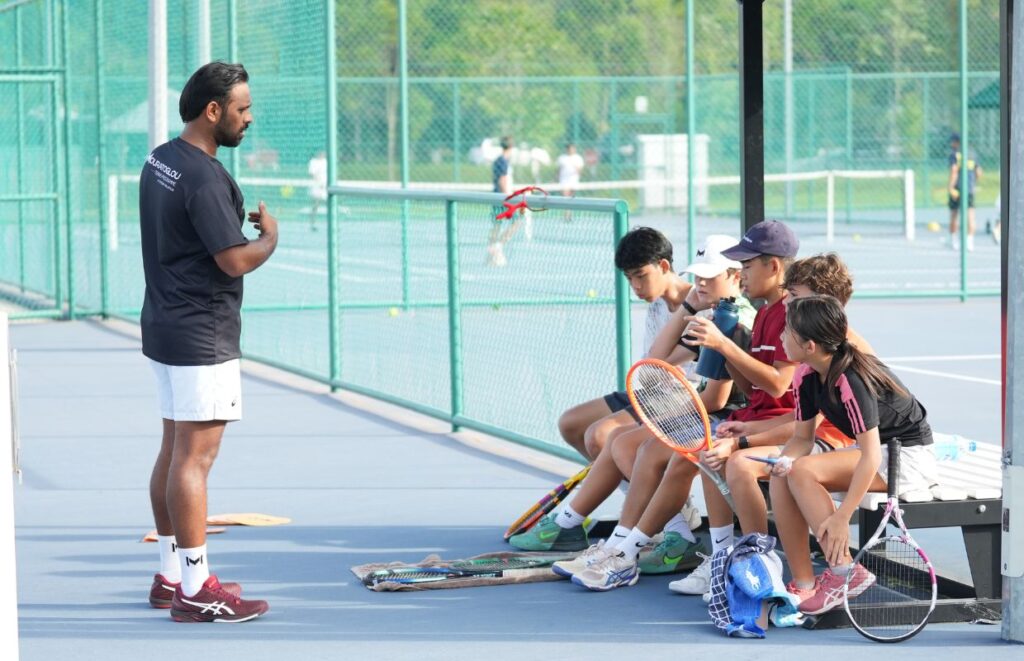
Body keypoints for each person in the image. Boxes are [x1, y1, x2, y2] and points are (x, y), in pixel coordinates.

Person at [139, 62, 276, 623]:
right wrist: (269, 239)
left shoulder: (161, 159)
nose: (249, 118)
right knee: (195, 460)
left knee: (175, 450)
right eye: (242, 109)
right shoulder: (202, 176)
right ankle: (196, 589)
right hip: (202, 332)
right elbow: (233, 260)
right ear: (212, 110)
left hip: (166, 324)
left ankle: (171, 575)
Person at [769, 295, 938, 615]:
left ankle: (845, 573)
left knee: (802, 471)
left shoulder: (851, 379)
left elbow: (870, 456)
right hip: (874, 450)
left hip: (907, 456)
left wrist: (842, 516)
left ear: (810, 346)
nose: (781, 336)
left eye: (787, 331)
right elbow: (802, 438)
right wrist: (784, 459)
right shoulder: (805, 374)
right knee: (784, 472)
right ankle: (804, 583)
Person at [556, 227, 697, 462]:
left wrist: (660, 371)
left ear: (663, 266)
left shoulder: (702, 303)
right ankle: (630, 483)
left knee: (599, 435)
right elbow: (649, 371)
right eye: (629, 278)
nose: (635, 286)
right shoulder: (657, 306)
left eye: (641, 276)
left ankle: (643, 487)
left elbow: (697, 379)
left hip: (686, 399)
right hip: (655, 393)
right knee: (570, 423)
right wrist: (657, 372)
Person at [947, 132, 982, 252]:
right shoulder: (971, 153)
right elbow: (979, 172)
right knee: (970, 215)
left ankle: (953, 240)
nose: (951, 144)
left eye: (953, 141)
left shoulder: (954, 154)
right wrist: (972, 183)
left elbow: (954, 171)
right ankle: (970, 242)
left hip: (957, 188)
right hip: (969, 188)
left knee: (954, 214)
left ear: (957, 142)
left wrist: (950, 187)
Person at [488, 136, 520, 265]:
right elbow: (502, 180)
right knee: (516, 222)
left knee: (497, 224)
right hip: (502, 197)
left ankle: (493, 252)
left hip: (498, 196)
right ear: (511, 147)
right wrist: (508, 197)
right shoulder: (503, 161)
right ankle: (497, 246)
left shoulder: (499, 160)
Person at [556, 143, 584, 220]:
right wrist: (556, 178)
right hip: (564, 181)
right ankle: (567, 214)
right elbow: (558, 170)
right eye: (570, 148)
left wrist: (575, 167)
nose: (571, 150)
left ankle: (569, 213)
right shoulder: (562, 158)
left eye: (573, 148)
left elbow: (580, 170)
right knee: (566, 196)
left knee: (570, 197)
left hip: (573, 181)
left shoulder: (578, 158)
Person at [307, 150, 328, 231]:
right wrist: (319, 183)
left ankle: (332, 223)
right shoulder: (313, 162)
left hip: (325, 187)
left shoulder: (326, 161)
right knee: (315, 205)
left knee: (330, 204)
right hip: (316, 187)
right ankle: (312, 223)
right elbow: (312, 174)